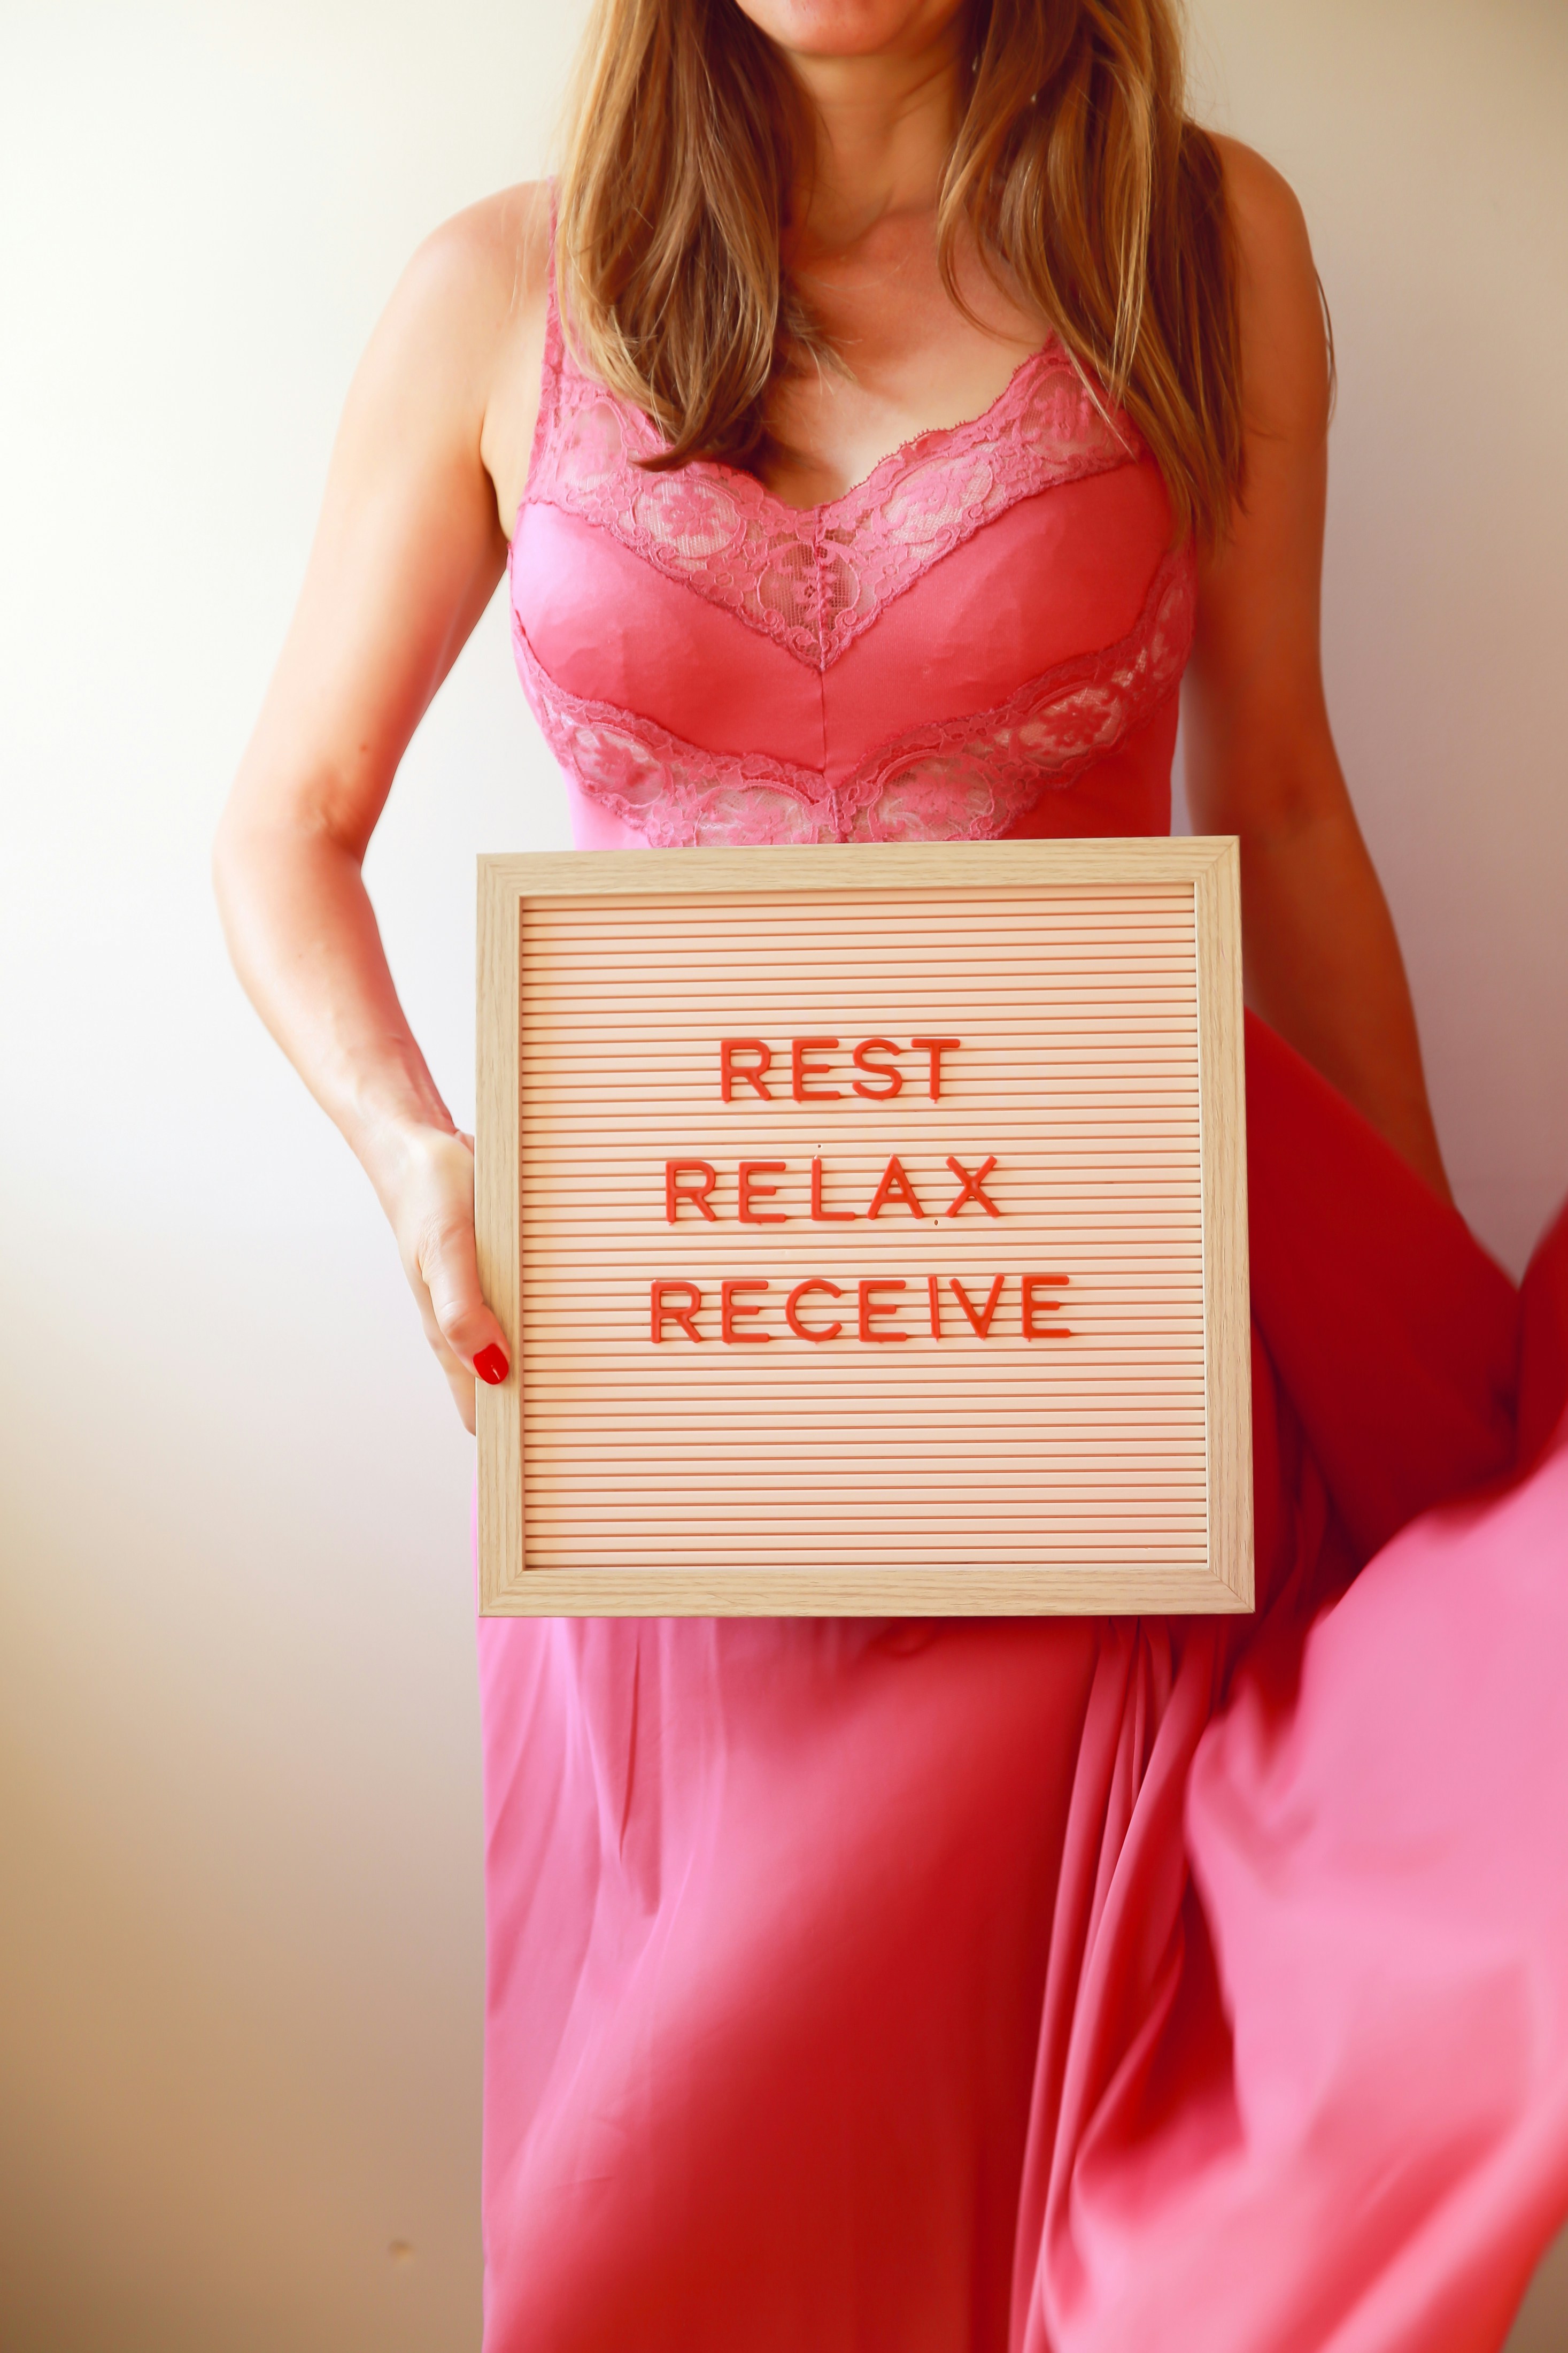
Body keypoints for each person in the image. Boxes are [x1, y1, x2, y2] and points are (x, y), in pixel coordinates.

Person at [213, 0, 1568, 2344]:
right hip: (666, 1415)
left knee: (1048, 2189)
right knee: (670, 2229)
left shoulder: (1203, 243)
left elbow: (1278, 807)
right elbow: (283, 826)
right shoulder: (494, 292)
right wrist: (417, 1160)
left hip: (1095, 1393)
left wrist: (1417, 1371)